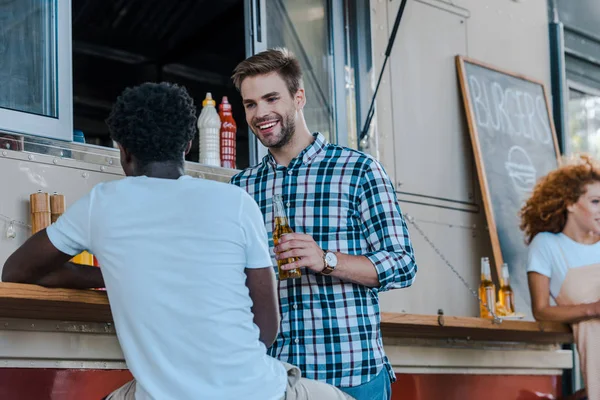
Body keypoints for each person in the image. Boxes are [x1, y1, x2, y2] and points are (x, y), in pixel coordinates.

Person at [2, 82, 352, 400]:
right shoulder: (236, 201)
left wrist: (108, 277)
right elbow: (266, 328)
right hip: (260, 390)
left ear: (122, 150)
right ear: (188, 144)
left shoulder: (102, 203)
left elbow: (16, 270)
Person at [230, 48, 418, 400]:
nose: (261, 113)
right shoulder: (241, 188)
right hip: (274, 376)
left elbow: (403, 264)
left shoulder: (358, 170)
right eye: (250, 104)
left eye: (272, 98)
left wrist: (326, 260)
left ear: (298, 98)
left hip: (349, 373)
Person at [520, 154, 600, 400]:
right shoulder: (547, 245)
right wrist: (592, 309)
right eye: (596, 201)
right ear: (570, 203)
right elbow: (542, 310)